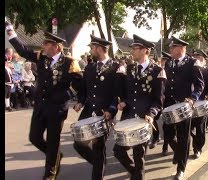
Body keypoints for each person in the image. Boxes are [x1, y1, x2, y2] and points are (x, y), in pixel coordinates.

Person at [6, 22, 82, 180]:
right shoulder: (41, 57)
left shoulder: (69, 62)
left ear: (55, 46)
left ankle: (50, 173)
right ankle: (55, 156)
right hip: (40, 106)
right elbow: (23, 51)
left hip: (57, 109)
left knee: (53, 141)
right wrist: (11, 32)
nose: (43, 46)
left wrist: (66, 95)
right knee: (34, 137)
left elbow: (78, 83)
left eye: (46, 44)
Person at [114, 34, 166, 180]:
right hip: (128, 117)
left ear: (145, 50)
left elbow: (159, 99)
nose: (132, 51)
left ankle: (137, 175)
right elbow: (125, 92)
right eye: (132, 48)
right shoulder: (129, 69)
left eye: (135, 49)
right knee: (118, 151)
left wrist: (151, 113)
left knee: (139, 157)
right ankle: (135, 173)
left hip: (143, 119)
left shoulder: (157, 71)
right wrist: (123, 101)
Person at [73, 35, 124, 180]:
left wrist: (111, 111)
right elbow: (84, 90)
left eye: (92, 48)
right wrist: (80, 102)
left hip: (104, 112)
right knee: (78, 143)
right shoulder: (89, 67)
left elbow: (117, 94)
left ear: (100, 49)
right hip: (88, 111)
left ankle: (97, 172)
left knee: (98, 147)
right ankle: (99, 163)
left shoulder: (116, 68)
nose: (90, 51)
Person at [162, 36, 204, 180]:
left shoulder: (192, 63)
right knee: (167, 135)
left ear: (181, 48)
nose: (170, 50)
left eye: (173, 47)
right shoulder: (169, 63)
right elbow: (167, 84)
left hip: (184, 106)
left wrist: (192, 99)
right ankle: (179, 152)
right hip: (169, 105)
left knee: (183, 137)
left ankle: (181, 168)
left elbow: (199, 85)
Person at [190, 49, 208, 159]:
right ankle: (192, 143)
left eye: (198, 56)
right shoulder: (189, 69)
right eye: (194, 55)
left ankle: (198, 148)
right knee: (189, 128)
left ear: (203, 58)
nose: (195, 58)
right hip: (189, 103)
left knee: (200, 127)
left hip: (202, 103)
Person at [149, 51, 172, 150]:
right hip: (158, 99)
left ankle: (165, 145)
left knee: (167, 125)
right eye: (162, 59)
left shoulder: (170, 70)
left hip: (167, 100)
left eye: (165, 60)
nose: (163, 61)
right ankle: (156, 136)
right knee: (152, 118)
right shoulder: (157, 69)